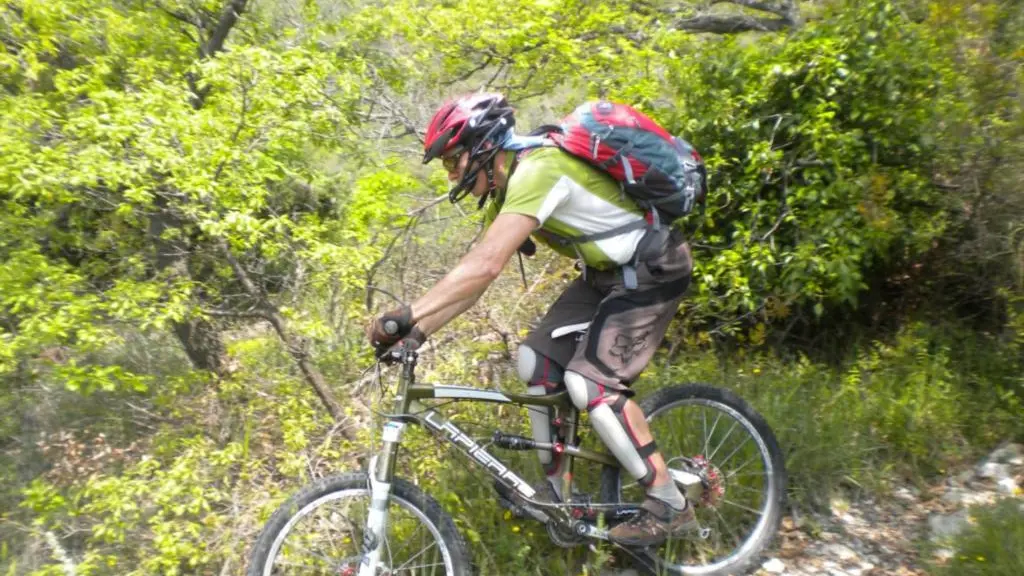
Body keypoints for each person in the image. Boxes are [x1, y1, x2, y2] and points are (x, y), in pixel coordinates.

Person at [367, 93, 696, 546]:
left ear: (483, 147)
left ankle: (668, 501)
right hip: (606, 275)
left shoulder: (540, 169)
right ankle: (558, 494)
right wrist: (418, 332)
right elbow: (474, 277)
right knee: (534, 362)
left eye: (453, 160)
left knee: (589, 386)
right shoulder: (511, 186)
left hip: (653, 266)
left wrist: (404, 315)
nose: (451, 173)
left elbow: (485, 266)